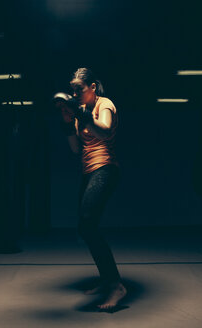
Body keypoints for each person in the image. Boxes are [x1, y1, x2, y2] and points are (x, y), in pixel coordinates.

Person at [54, 68, 126, 310]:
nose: (76, 93)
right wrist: (67, 122)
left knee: (87, 222)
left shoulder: (104, 104)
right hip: (88, 171)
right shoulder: (79, 114)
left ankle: (116, 286)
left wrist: (81, 114)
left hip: (106, 168)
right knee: (86, 228)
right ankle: (108, 280)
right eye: (73, 90)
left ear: (92, 87)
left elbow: (104, 131)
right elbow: (76, 149)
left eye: (80, 89)